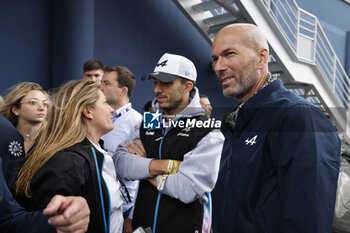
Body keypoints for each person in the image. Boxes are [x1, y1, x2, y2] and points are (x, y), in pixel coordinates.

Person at [210, 23, 340, 233]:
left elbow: (309, 221)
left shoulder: (299, 117)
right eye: (215, 58)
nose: (219, 67)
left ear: (262, 58)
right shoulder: (236, 122)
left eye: (229, 54)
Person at [114, 53, 224, 233]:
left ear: (187, 86)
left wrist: (144, 169)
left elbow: (187, 189)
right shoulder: (151, 119)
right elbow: (120, 162)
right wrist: (166, 165)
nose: (157, 89)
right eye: (155, 82)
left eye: (166, 83)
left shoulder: (208, 130)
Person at [15, 80, 123, 233]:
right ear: (88, 112)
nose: (112, 109)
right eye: (105, 103)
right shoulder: (67, 162)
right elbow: (56, 225)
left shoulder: (94, 152)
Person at [0, 114, 90, 233]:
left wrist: (59, 219)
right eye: (33, 102)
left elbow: (7, 220)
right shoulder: (66, 161)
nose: (111, 110)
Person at [100, 66, 142, 233]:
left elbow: (144, 175)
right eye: (101, 82)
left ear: (123, 90)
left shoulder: (140, 123)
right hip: (98, 204)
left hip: (124, 210)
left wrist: (132, 216)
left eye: (106, 83)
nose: (100, 87)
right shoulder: (97, 117)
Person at [0, 82, 51, 154]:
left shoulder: (53, 140)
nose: (42, 108)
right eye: (33, 102)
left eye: (45, 103)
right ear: (15, 110)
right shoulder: (4, 137)